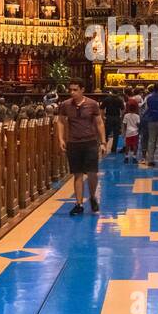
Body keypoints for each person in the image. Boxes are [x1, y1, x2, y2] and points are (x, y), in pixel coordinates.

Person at [57, 79, 105, 215]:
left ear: (82, 89)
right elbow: (60, 121)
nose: (72, 92)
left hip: (90, 142)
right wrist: (61, 139)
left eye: (75, 90)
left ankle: (92, 196)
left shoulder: (92, 104)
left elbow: (99, 123)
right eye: (70, 90)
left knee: (92, 173)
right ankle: (79, 203)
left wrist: (103, 142)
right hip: (73, 143)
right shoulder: (65, 105)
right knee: (77, 174)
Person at [101, 89, 124, 154]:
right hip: (116, 117)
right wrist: (121, 117)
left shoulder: (107, 99)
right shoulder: (119, 99)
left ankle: (104, 147)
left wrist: (102, 117)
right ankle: (113, 149)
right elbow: (122, 109)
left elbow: (101, 108)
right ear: (117, 93)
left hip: (108, 117)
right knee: (116, 134)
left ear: (111, 93)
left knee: (106, 133)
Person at [122, 98, 141, 163]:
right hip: (135, 132)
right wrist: (139, 129)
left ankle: (126, 157)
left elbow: (124, 124)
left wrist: (125, 130)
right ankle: (134, 157)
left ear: (128, 108)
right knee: (135, 145)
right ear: (136, 109)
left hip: (128, 132)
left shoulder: (126, 115)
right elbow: (138, 124)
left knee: (127, 145)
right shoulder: (137, 116)